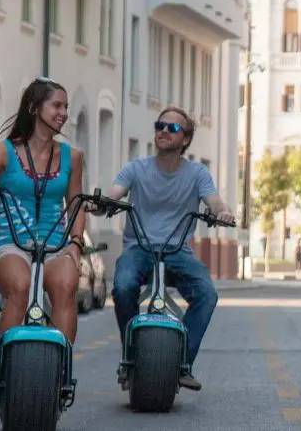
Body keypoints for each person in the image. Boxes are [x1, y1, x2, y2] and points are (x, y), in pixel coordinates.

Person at [100, 106, 235, 392]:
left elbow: (214, 201)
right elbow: (115, 192)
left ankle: (182, 362)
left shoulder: (197, 173)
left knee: (207, 295)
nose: (163, 131)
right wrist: (104, 203)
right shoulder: (136, 168)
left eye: (172, 128)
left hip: (177, 251)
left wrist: (222, 212)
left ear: (185, 139)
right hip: (139, 247)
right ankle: (130, 354)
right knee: (122, 286)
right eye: (160, 125)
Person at [0, 77, 85, 345]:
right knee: (20, 286)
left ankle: (61, 371)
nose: (64, 113)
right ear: (35, 108)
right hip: (12, 244)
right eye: (57, 106)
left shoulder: (73, 156)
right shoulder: (4, 151)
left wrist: (77, 244)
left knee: (66, 285)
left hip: (55, 244)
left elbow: (76, 203)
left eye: (66, 107)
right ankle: (2, 372)